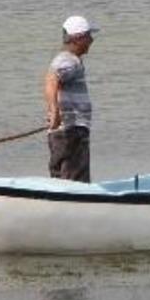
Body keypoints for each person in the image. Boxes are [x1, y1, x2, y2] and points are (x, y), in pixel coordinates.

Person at [44, 14, 98, 182]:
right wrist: (55, 111)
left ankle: (60, 207)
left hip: (65, 131)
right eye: (89, 36)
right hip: (71, 131)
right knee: (75, 182)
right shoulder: (70, 61)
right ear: (78, 38)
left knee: (61, 180)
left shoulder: (66, 59)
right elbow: (52, 78)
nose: (92, 40)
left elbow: (51, 79)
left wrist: (55, 114)